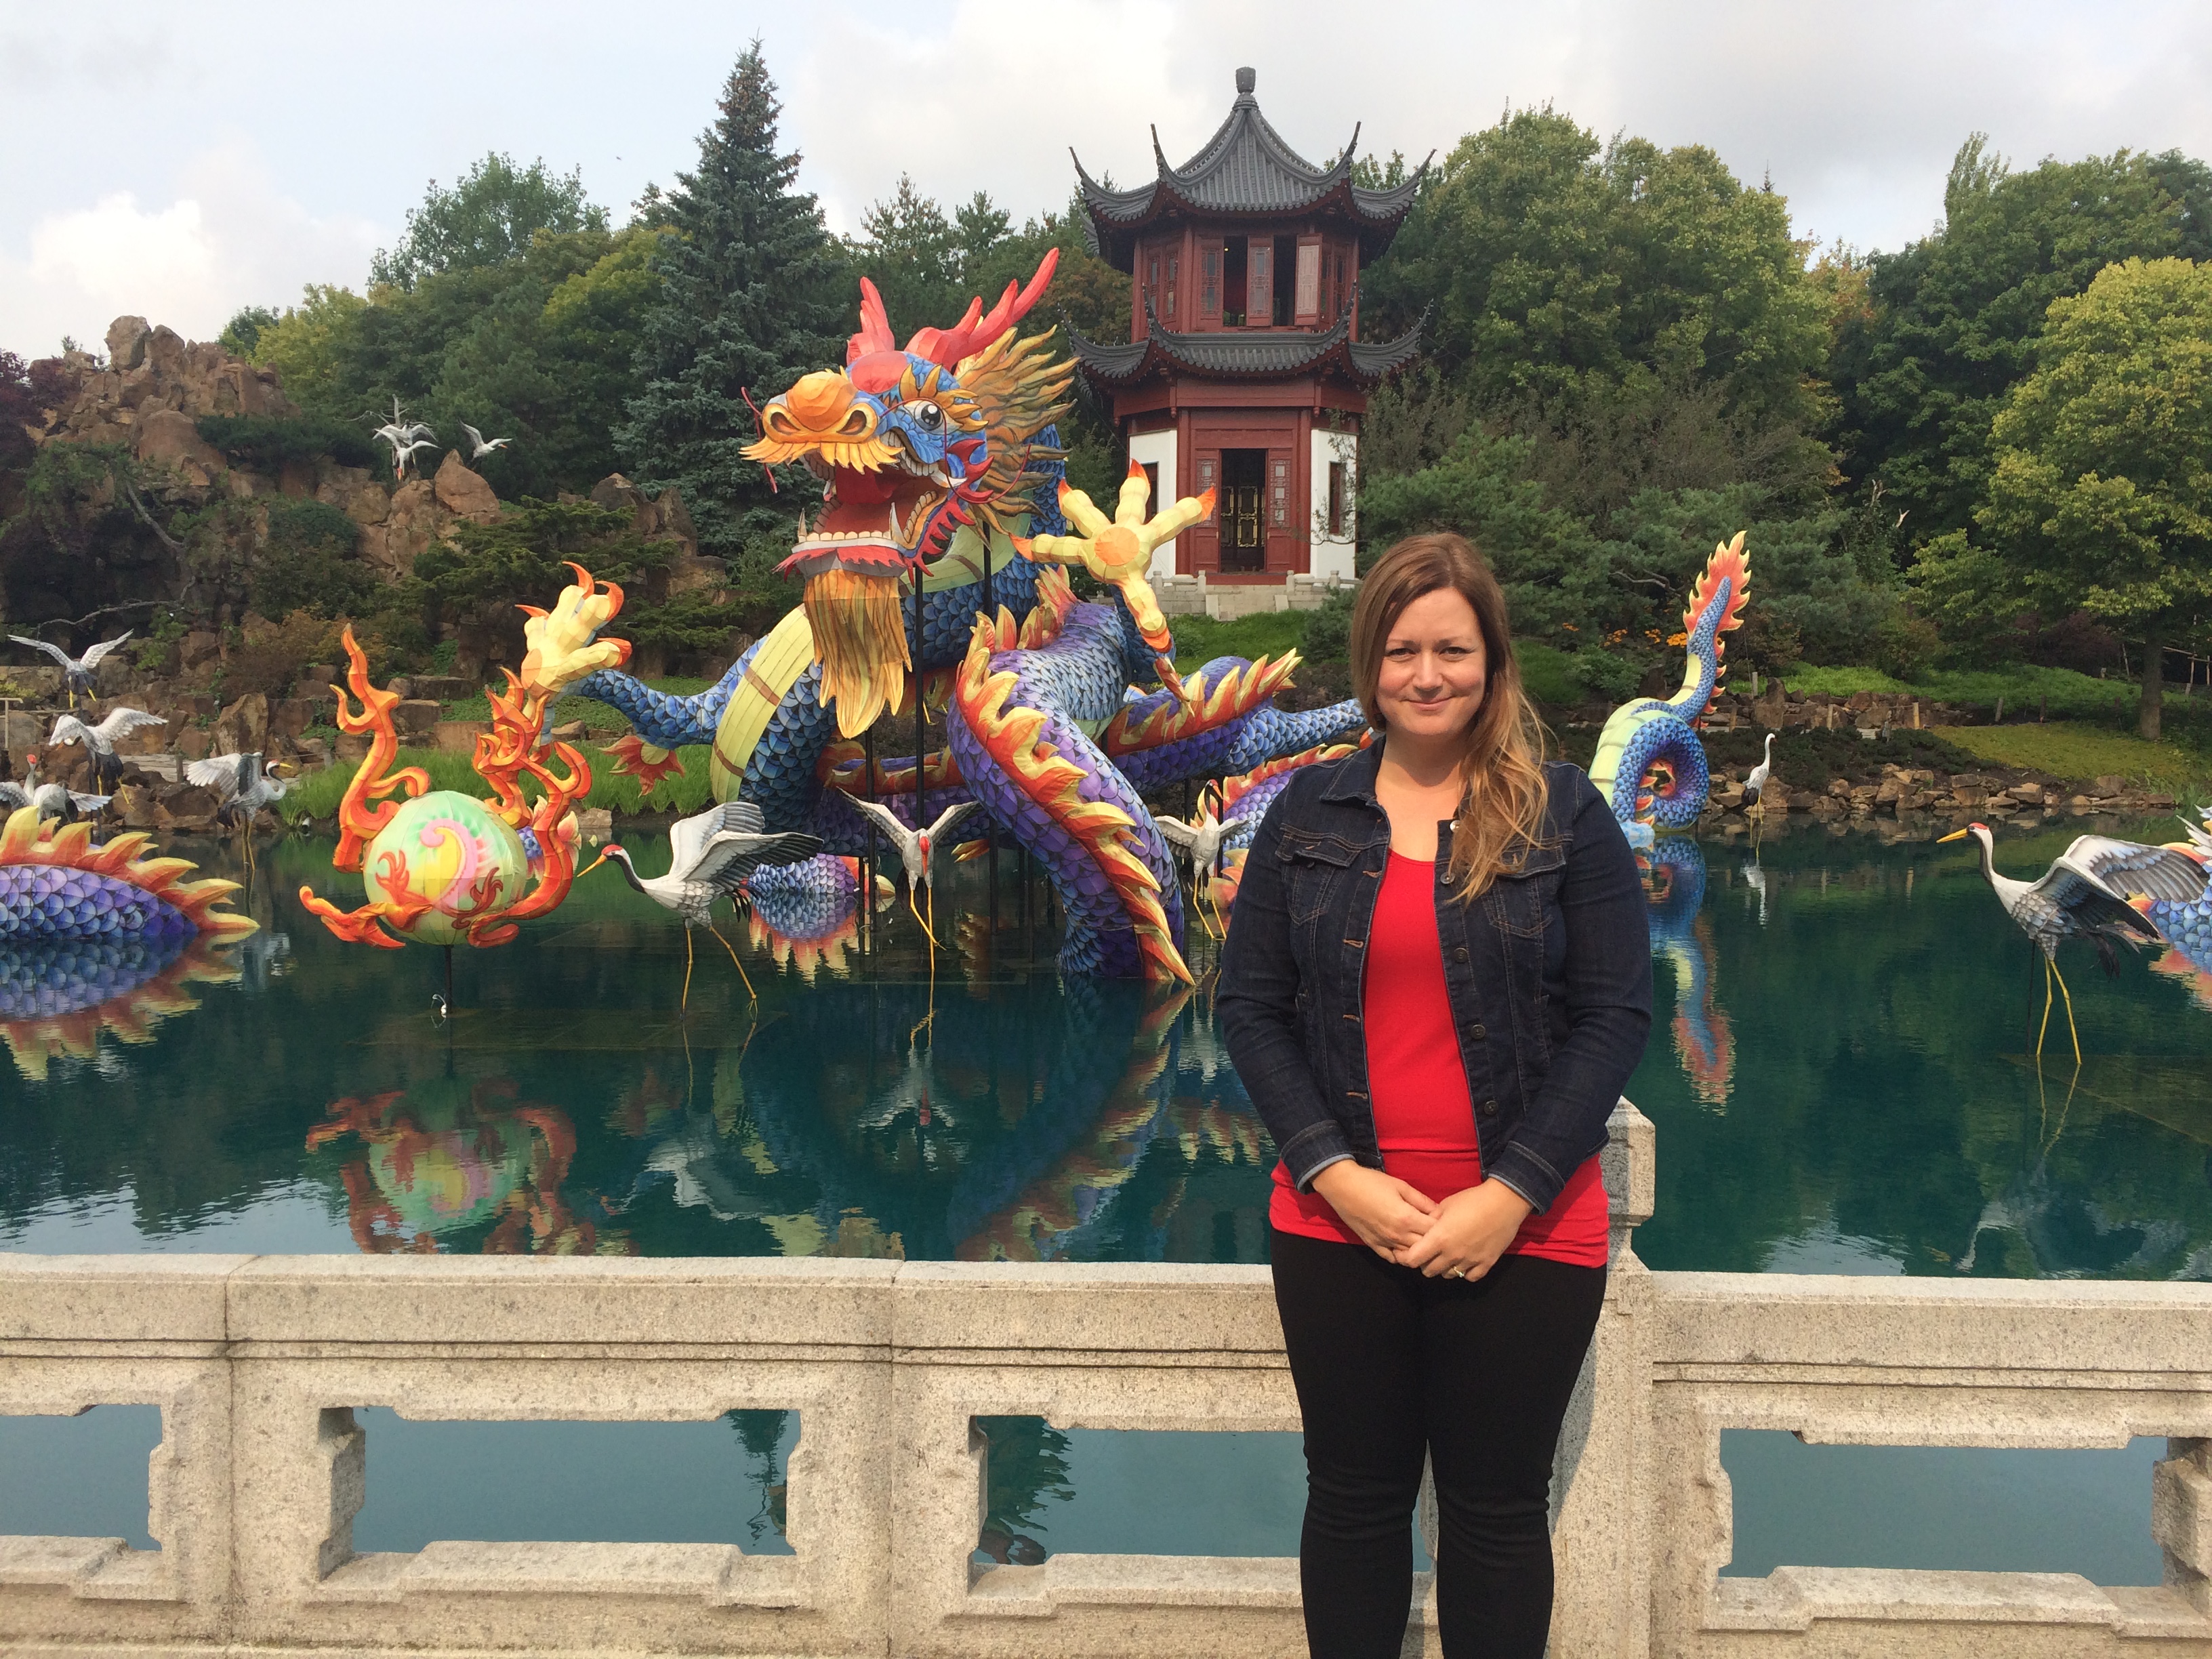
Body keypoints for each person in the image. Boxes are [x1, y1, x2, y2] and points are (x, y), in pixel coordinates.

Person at [1217, 532, 1652, 1658]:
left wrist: (1509, 1192)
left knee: (1497, 1511)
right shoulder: (1307, 815)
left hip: (1528, 1223)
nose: (1427, 674)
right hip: (1337, 1218)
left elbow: (1613, 1019)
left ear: (1492, 662)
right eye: (1403, 650)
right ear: (1371, 666)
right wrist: (1334, 1171)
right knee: (1355, 1499)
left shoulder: (1565, 817)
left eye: (1452, 649)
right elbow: (1250, 1009)